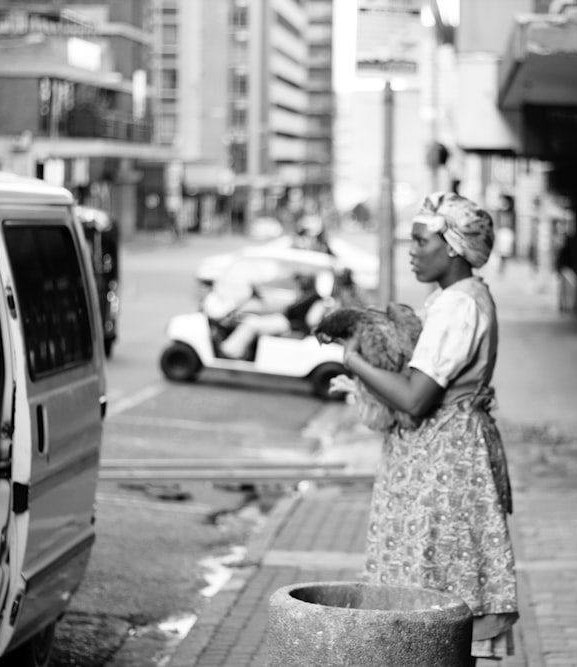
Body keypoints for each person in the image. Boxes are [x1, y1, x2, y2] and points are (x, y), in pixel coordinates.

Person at [331, 191, 519, 663]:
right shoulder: (454, 297)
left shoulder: (458, 305)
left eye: (420, 241)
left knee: (435, 596)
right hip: (441, 459)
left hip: (442, 465)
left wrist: (354, 361)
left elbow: (416, 398)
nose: (412, 250)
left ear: (452, 245)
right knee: (439, 590)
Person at [219, 272, 325, 360]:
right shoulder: (303, 296)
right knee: (251, 319)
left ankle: (230, 351)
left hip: (289, 325)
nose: (299, 283)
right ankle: (237, 350)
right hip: (284, 321)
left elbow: (311, 320)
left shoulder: (315, 298)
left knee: (252, 324)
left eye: (302, 280)